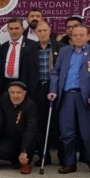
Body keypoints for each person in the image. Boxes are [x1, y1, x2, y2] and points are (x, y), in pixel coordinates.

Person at [48, 24, 90, 175]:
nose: (78, 37)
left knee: (87, 132)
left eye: (81, 35)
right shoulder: (64, 51)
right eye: (75, 35)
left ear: (88, 36)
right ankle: (69, 162)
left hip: (86, 97)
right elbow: (55, 72)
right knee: (67, 132)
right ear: (71, 37)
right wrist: (53, 90)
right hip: (67, 95)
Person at [32, 20, 62, 166]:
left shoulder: (61, 48)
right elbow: (26, 72)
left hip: (56, 89)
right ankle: (44, 155)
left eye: (45, 30)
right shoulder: (29, 49)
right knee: (40, 124)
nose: (43, 33)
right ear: (35, 33)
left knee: (59, 122)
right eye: (40, 31)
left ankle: (63, 156)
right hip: (38, 89)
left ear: (50, 31)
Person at [0, 81, 39, 173]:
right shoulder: (4, 99)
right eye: (12, 92)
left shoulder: (30, 105)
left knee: (33, 138)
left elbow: (31, 129)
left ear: (24, 94)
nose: (15, 96)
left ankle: (26, 162)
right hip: (10, 138)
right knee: (2, 151)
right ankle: (16, 161)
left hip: (25, 138)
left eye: (19, 92)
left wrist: (24, 151)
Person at [0, 18, 38, 92]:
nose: (14, 31)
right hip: (6, 85)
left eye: (16, 28)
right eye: (11, 29)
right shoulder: (3, 47)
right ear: (8, 30)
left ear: (22, 29)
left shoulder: (32, 45)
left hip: (23, 84)